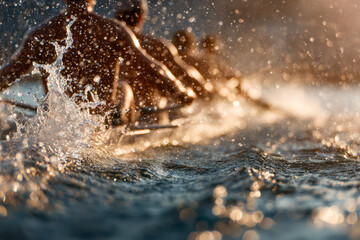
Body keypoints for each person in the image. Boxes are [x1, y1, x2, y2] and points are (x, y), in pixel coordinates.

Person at [0, 0, 195, 125]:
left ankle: (113, 116)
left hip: (62, 124)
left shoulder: (40, 34)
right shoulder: (112, 30)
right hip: (101, 117)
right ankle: (117, 116)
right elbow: (151, 65)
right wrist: (181, 91)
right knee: (124, 87)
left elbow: (8, 74)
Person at [114, 0, 214, 101]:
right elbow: (185, 72)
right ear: (141, 18)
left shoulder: (106, 42)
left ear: (116, 16)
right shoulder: (156, 45)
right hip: (151, 109)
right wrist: (205, 90)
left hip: (117, 105)